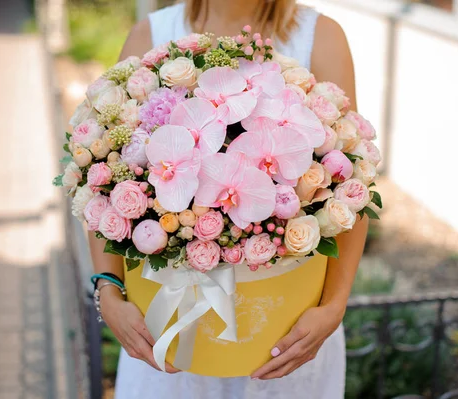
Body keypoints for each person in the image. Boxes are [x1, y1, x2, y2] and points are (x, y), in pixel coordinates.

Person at [89, 0, 368, 397]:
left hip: (286, 341)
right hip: (171, 339)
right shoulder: (150, 35)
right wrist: (108, 293)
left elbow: (351, 186)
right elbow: (103, 188)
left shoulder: (320, 37)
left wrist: (334, 308)